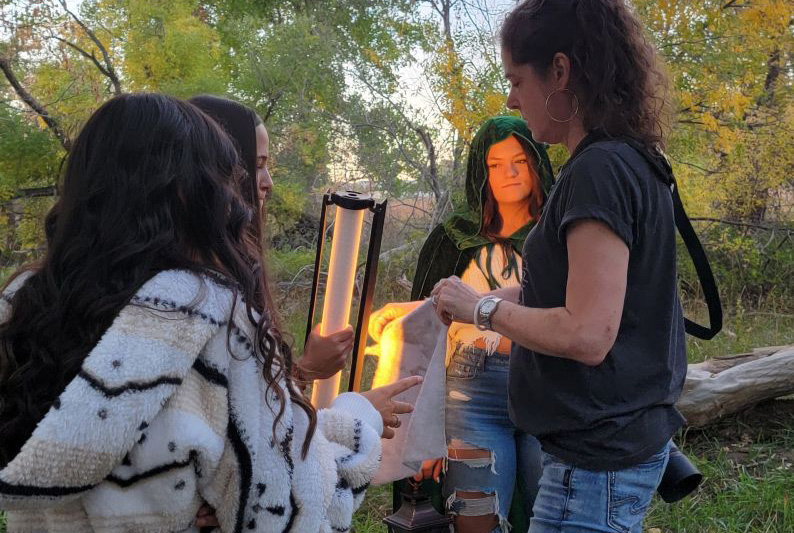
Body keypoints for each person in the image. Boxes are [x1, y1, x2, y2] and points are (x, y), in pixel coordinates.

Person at [0, 93, 421, 532]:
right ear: (187, 192)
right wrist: (359, 420)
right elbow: (295, 509)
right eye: (234, 173)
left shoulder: (26, 310)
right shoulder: (205, 317)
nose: (260, 185)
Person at [431, 1, 684, 531]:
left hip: (594, 467)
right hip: (613, 452)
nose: (510, 97)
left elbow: (588, 333)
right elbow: (577, 296)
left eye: (517, 79)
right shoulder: (629, 157)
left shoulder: (599, 170)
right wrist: (489, 300)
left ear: (561, 71)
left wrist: (481, 310)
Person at [371, 116, 554, 533]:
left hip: (550, 387)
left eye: (519, 161)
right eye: (495, 164)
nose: (508, 174)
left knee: (555, 514)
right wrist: (425, 433)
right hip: (470, 394)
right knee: (476, 518)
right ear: (480, 172)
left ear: (537, 165)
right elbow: (427, 327)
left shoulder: (563, 234)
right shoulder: (453, 239)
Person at [189, 95, 351, 388]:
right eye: (256, 165)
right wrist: (308, 370)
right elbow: (238, 416)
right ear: (218, 170)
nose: (267, 182)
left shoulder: (232, 263)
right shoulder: (202, 288)